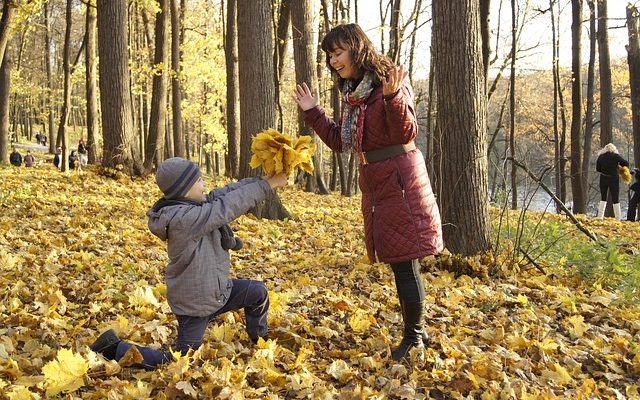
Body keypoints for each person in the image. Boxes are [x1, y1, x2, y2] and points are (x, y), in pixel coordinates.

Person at [292, 23, 443, 361]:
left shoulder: (387, 81)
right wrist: (313, 112)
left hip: (400, 180)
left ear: (356, 48)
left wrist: (391, 98)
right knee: (399, 262)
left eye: (338, 52)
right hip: (376, 182)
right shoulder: (354, 92)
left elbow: (406, 130)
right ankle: (416, 328)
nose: (333, 61)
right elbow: (341, 143)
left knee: (405, 263)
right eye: (330, 55)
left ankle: (414, 338)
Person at [90, 157, 288, 369]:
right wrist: (268, 185)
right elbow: (227, 206)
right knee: (181, 361)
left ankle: (260, 339)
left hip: (217, 292)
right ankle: (114, 348)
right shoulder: (185, 219)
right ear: (184, 190)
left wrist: (262, 180)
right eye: (200, 181)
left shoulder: (193, 206)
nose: (204, 185)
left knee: (257, 293)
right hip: (195, 305)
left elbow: (226, 193)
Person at [595, 143, 629, 219]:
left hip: (603, 178)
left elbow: (598, 169)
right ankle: (618, 218)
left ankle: (600, 216)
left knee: (603, 197)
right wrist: (618, 167)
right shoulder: (616, 156)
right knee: (615, 198)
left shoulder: (601, 156)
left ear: (605, 149)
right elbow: (626, 163)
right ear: (614, 149)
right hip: (614, 179)